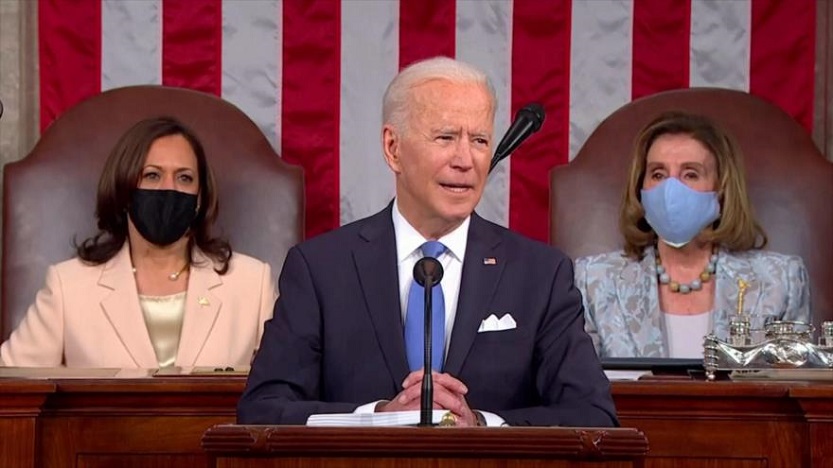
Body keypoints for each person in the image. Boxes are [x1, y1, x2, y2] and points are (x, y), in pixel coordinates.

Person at [238, 57, 617, 427]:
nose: (465, 159)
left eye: (480, 140)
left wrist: (483, 425)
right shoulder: (321, 268)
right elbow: (263, 410)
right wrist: (374, 419)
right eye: (446, 137)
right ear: (393, 148)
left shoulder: (540, 274)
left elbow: (593, 415)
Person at [0, 116, 276, 368]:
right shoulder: (67, 286)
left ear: (200, 197)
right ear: (125, 190)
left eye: (184, 178)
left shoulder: (252, 283)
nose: (169, 188)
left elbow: (287, 388)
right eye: (152, 175)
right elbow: (12, 388)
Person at [575, 111, 811, 359]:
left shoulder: (782, 282)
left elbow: (790, 387)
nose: (671, 190)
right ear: (640, 187)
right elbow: (581, 390)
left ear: (721, 188)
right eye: (658, 174)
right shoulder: (593, 281)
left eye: (690, 174)